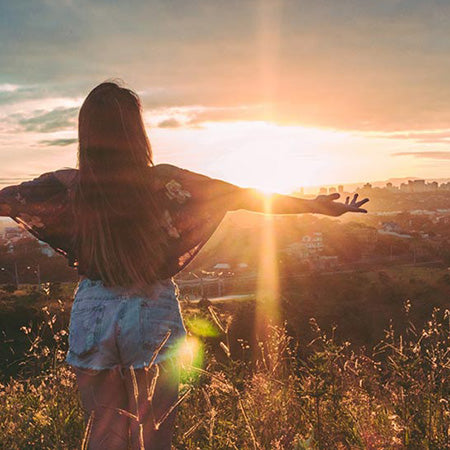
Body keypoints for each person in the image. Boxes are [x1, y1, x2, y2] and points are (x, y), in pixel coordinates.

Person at [0, 81, 369, 449]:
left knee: (104, 433)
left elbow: (6, 199)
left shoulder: (68, 186)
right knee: (155, 434)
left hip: (93, 310)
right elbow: (241, 196)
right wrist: (317, 205)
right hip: (151, 306)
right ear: (136, 131)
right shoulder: (164, 181)